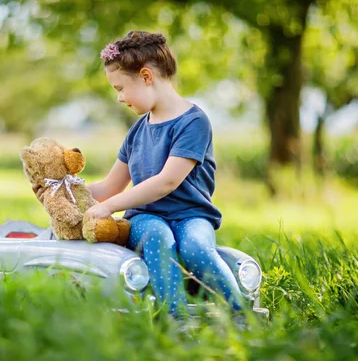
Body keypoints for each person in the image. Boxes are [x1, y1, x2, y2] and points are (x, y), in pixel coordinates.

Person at [37, 30, 243, 318]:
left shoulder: (193, 122)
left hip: (192, 214)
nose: (119, 98)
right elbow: (111, 186)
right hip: (146, 216)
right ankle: (176, 317)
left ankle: (242, 312)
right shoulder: (137, 131)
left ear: (147, 77)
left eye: (120, 88)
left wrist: (108, 208)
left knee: (196, 247)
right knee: (157, 237)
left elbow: (167, 182)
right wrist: (63, 192)